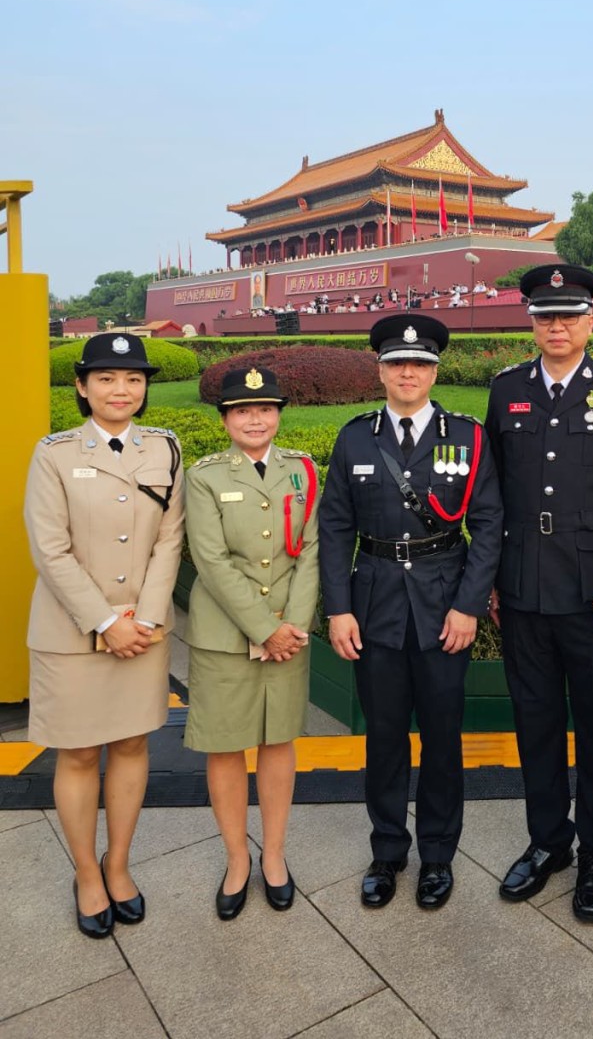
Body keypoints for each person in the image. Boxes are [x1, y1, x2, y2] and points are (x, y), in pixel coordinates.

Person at [484, 265, 593, 923]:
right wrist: (491, 579)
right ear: (530, 322)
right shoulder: (507, 390)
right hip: (523, 587)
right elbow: (491, 497)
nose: (556, 326)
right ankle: (549, 842)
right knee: (535, 726)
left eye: (569, 315)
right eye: (544, 316)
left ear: (592, 320)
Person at [319, 316, 502, 911]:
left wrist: (469, 606)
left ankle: (439, 855)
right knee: (385, 736)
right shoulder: (355, 437)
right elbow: (334, 528)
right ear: (380, 371)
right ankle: (388, 851)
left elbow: (488, 525)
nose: (407, 372)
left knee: (443, 737)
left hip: (444, 603)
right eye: (396, 362)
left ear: (434, 371)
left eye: (419, 363)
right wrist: (339, 610)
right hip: (374, 605)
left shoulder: (467, 437)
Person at [24, 333, 184, 938]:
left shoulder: (164, 447)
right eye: (108, 378)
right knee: (79, 752)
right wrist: (106, 622)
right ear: (82, 386)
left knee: (133, 745)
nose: (122, 389)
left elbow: (170, 538)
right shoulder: (54, 453)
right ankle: (87, 873)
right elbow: (50, 549)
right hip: (72, 631)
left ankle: (118, 865)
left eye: (134, 379)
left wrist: (145, 617)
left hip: (143, 629)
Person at [184, 367, 320, 920]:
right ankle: (238, 859)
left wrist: (294, 626)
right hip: (225, 634)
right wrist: (265, 629)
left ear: (279, 414)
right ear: (225, 420)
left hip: (290, 628)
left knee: (278, 742)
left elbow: (313, 551)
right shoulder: (205, 476)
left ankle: (275, 856)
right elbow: (210, 561)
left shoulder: (303, 470)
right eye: (242, 411)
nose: (255, 419)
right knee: (225, 746)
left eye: (265, 409)